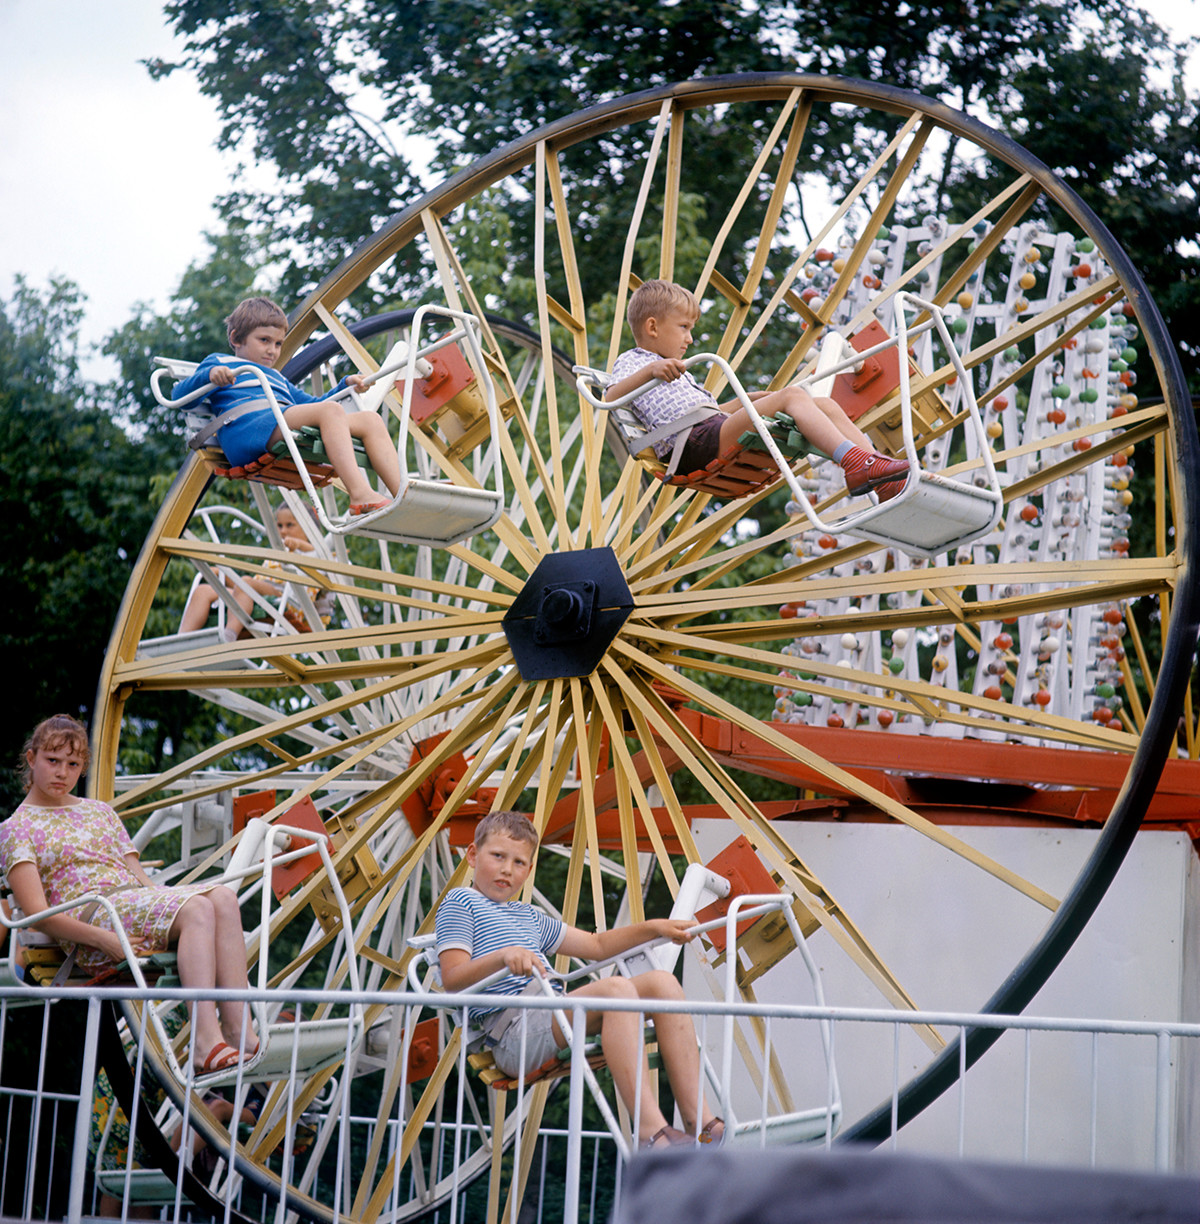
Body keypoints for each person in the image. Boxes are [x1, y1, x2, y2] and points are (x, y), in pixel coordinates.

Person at [435, 810, 725, 1149]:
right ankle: (653, 1132)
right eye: (497, 856)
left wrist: (654, 927)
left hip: (551, 1014)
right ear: (472, 855)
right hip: (513, 1033)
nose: (506, 870)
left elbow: (596, 945)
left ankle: (702, 1124)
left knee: (662, 982)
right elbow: (452, 980)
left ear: (529, 871)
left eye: (518, 863)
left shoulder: (529, 916)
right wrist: (502, 956)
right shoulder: (460, 902)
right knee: (616, 990)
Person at [0, 715, 257, 1076]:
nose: (62, 772)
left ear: (83, 768)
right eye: (52, 761)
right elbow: (37, 914)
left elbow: (141, 881)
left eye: (73, 764)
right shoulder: (17, 828)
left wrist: (165, 901)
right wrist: (106, 940)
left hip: (131, 904)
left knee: (223, 899)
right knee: (197, 908)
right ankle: (203, 1044)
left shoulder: (100, 812)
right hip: (93, 920)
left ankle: (240, 1032)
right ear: (31, 759)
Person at [606, 279, 909, 500]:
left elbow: (709, 413)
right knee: (791, 396)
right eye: (684, 327)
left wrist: (751, 401)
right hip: (690, 446)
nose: (690, 340)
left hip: (708, 430)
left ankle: (879, 475)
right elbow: (609, 397)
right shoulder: (635, 361)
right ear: (652, 328)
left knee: (822, 404)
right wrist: (650, 370)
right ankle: (855, 462)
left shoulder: (675, 372)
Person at [172, 296, 402, 515]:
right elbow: (180, 397)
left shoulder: (277, 378)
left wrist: (345, 385)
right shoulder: (221, 362)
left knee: (370, 420)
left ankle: (402, 494)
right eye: (264, 340)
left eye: (278, 343)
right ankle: (360, 494)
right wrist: (209, 376)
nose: (272, 350)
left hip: (277, 422)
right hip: (247, 431)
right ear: (236, 339)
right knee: (330, 412)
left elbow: (318, 406)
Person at [179, 503, 333, 637]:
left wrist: (299, 545)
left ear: (308, 528)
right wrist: (223, 575)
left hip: (286, 599)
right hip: (255, 591)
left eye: (289, 525)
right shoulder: (279, 551)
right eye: (279, 526)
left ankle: (229, 634)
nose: (283, 531)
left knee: (247, 583)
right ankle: (182, 640)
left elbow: (320, 552)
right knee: (204, 589)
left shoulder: (316, 554)